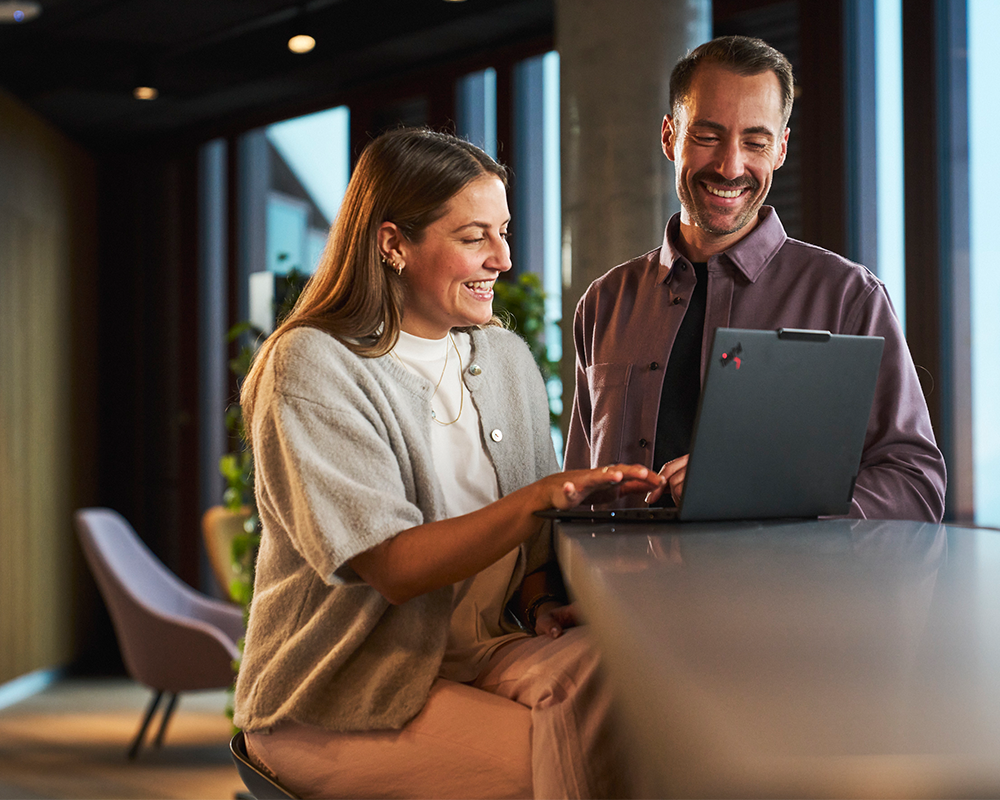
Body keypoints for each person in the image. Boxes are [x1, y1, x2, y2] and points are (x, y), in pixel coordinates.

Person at [232, 127, 662, 799]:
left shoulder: (507, 360)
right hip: (336, 689)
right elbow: (393, 567)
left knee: (636, 695)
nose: (502, 258)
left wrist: (540, 598)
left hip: (475, 652)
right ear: (393, 243)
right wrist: (538, 499)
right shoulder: (313, 364)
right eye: (473, 238)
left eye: (504, 231)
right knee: (571, 763)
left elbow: (531, 554)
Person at [564, 35, 947, 522]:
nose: (730, 166)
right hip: (607, 595)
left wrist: (759, 496)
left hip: (775, 597)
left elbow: (915, 485)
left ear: (781, 148)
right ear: (669, 137)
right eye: (707, 136)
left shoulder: (848, 297)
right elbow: (575, 490)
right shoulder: (605, 303)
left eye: (755, 141)